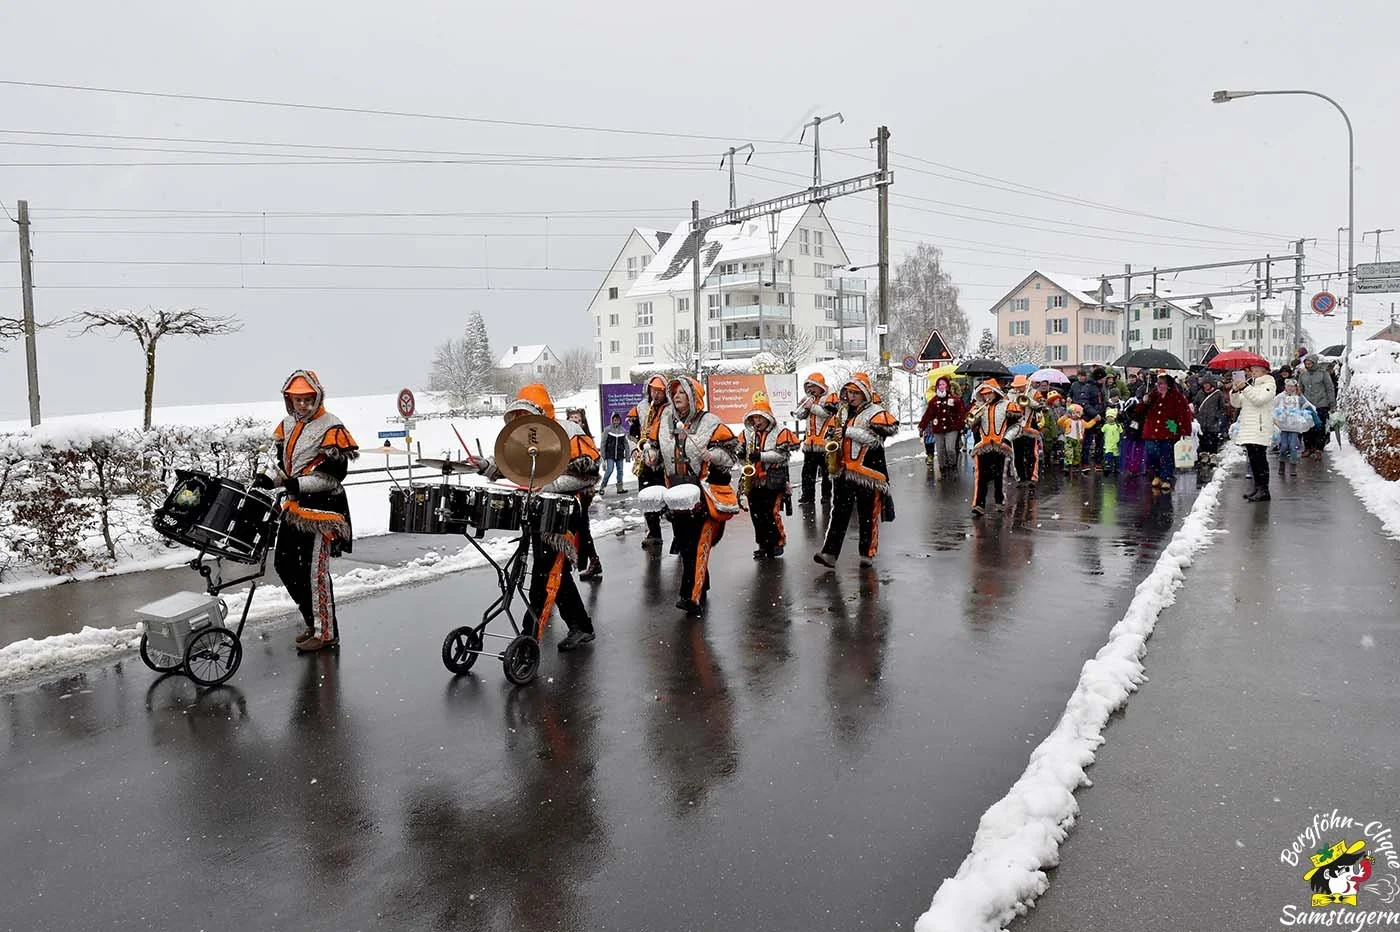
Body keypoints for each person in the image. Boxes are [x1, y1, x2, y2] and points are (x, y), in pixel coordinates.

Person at [477, 385, 600, 650]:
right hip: (537, 513)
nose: (520, 420)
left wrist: (549, 485)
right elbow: (510, 465)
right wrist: (487, 466)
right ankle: (581, 626)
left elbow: (588, 473)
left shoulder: (568, 431)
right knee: (556, 573)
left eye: (524, 413)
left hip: (563, 514)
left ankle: (528, 639)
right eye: (516, 416)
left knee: (543, 578)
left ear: (540, 410)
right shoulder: (524, 438)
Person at [256, 370, 359, 653]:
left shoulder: (331, 426)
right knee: (285, 565)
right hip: (293, 508)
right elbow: (282, 464)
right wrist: (270, 478)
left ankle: (325, 633)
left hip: (321, 511)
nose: (302, 405)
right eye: (297, 400)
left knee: (314, 572)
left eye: (308, 399)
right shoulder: (287, 425)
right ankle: (313, 622)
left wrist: (292, 483)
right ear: (289, 400)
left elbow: (331, 477)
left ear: (318, 397)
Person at [639, 377, 740, 616]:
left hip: (702, 493)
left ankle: (691, 595)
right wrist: (649, 454)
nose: (676, 397)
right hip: (675, 493)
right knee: (685, 545)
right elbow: (652, 445)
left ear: (694, 397)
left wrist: (713, 455)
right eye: (674, 393)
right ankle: (700, 584)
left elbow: (731, 454)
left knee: (698, 544)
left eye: (682, 393)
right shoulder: (664, 421)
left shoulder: (710, 422)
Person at [813, 372, 899, 566]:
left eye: (855, 393)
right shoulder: (842, 411)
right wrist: (831, 436)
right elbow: (836, 434)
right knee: (839, 512)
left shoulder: (876, 412)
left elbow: (874, 440)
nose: (850, 396)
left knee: (867, 514)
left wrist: (846, 431)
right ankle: (829, 554)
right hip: (844, 469)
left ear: (864, 394)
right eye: (849, 392)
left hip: (868, 471)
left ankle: (866, 554)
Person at [741, 395, 800, 559]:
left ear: (768, 417)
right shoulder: (747, 434)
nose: (757, 421)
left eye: (760, 418)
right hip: (753, 480)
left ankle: (777, 542)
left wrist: (761, 456)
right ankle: (763, 544)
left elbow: (782, 455)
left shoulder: (780, 431)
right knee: (756, 514)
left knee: (771, 513)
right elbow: (742, 454)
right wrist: (741, 455)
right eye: (754, 418)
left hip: (773, 478)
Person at [628, 375, 670, 549]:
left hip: (664, 462)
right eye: (653, 390)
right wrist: (634, 449)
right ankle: (653, 532)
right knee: (647, 498)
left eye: (660, 391)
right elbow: (631, 434)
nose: (656, 395)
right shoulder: (641, 408)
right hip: (644, 461)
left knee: (668, 499)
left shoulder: (671, 409)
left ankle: (678, 535)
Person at [966, 379, 1018, 517]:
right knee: (981, 476)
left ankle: (999, 500)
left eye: (989, 393)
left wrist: (1007, 438)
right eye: (984, 394)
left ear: (995, 393)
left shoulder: (1008, 405)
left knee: (999, 475)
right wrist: (974, 419)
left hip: (1001, 445)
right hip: (983, 446)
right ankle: (979, 504)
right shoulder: (978, 408)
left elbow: (1017, 425)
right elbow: (970, 424)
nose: (987, 397)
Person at [1231, 363, 1278, 502]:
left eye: (1257, 371)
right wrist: (1235, 391)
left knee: (1260, 460)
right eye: (1252, 371)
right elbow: (1237, 403)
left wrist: (1245, 387)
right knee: (1253, 459)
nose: (1253, 373)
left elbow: (1259, 400)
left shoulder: (1269, 384)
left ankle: (1264, 490)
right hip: (1248, 427)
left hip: (1260, 427)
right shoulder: (1251, 385)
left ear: (1265, 372)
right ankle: (1258, 488)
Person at [1139, 373, 1193, 492]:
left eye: (1161, 383)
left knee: (1167, 455)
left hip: (1169, 429)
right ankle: (1157, 474)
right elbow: (1140, 411)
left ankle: (1166, 478)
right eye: (1158, 383)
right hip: (1152, 430)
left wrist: (1184, 430)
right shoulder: (1152, 395)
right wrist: (1144, 401)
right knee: (1152, 452)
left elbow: (1184, 413)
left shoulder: (1177, 397)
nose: (1158, 386)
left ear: (1168, 385)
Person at [791, 372, 835, 503]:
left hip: (824, 444)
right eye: (808, 387)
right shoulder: (809, 399)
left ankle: (826, 496)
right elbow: (800, 416)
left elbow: (828, 414)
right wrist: (802, 407)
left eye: (813, 387)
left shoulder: (829, 397)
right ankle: (807, 496)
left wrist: (812, 407)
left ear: (820, 386)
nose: (810, 389)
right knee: (807, 473)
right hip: (809, 443)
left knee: (826, 473)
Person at [917, 375, 967, 478]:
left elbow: (961, 413)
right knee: (940, 450)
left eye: (943, 384)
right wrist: (922, 426)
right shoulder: (934, 401)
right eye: (939, 384)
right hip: (938, 428)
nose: (941, 386)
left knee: (950, 448)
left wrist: (960, 425)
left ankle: (953, 465)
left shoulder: (955, 400)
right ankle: (943, 468)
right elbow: (928, 415)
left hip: (952, 428)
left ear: (947, 386)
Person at [1272, 378, 1318, 478]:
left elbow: (1307, 405)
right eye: (1288, 386)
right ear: (1285, 387)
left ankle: (1293, 466)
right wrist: (1276, 416)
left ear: (1295, 387)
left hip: (1294, 426)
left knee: (1293, 446)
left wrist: (1313, 414)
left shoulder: (1299, 397)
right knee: (1283, 446)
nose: (1290, 388)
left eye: (1292, 386)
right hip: (1283, 426)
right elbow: (1272, 406)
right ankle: (1282, 464)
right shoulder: (1280, 397)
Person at [1297, 355, 1336, 456]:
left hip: (1321, 404)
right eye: (1306, 364)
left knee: (1319, 427)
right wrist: (1298, 401)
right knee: (1307, 427)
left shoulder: (1323, 374)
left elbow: (1329, 389)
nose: (1308, 366)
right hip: (1307, 404)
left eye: (1309, 364)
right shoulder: (1303, 375)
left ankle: (1319, 448)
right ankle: (1308, 447)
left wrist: (1332, 404)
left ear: (1314, 363)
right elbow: (1300, 389)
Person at [1007, 375, 1042, 487]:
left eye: (1021, 387)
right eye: (1017, 387)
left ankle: (1032, 477)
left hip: (1030, 425)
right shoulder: (1010, 394)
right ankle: (1021, 478)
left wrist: (1029, 401)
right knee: (1018, 453)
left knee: (1031, 453)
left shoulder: (1035, 393)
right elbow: (1006, 409)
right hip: (1016, 426)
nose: (1018, 389)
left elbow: (1041, 406)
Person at [1194, 375, 1228, 467]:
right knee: (1203, 439)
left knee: (1213, 439)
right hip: (1201, 421)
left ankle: (1213, 456)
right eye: (1204, 384)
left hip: (1213, 421)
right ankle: (1204, 455)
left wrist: (1217, 416)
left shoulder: (1218, 393)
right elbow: (1195, 404)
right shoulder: (1200, 393)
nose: (1205, 386)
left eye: (1207, 384)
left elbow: (1222, 407)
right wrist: (1197, 415)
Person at [1079, 367, 1108, 471]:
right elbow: (1084, 403)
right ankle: (1085, 463)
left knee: (1100, 442)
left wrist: (1108, 407)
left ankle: (1098, 462)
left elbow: (1102, 402)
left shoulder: (1101, 387)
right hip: (1089, 419)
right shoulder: (1088, 387)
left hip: (1101, 418)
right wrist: (1094, 414)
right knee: (1087, 441)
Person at [598, 412, 630, 495]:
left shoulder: (623, 430)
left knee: (620, 471)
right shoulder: (607, 430)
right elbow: (603, 443)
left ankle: (620, 488)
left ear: (620, 421)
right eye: (614, 420)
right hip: (610, 455)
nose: (616, 421)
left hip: (619, 455)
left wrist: (627, 456)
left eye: (618, 420)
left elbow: (626, 444)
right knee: (609, 470)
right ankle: (602, 487)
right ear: (612, 420)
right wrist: (603, 455)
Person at [1059, 403, 1085, 470]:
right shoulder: (1068, 420)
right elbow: (1060, 423)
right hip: (1069, 438)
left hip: (1078, 439)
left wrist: (1094, 420)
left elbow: (1088, 425)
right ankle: (1067, 465)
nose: (1076, 415)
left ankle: (1075, 464)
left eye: (1078, 413)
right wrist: (1065, 416)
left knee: (1077, 452)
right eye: (1074, 413)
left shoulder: (1081, 421)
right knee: (1068, 452)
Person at [1101, 408, 1123, 476]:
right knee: (1108, 456)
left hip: (1116, 445)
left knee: (1117, 457)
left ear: (1114, 417)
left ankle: (1117, 468)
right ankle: (1107, 466)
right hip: (1108, 445)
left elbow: (1121, 432)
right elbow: (1102, 431)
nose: (1109, 418)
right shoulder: (1106, 426)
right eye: (1108, 417)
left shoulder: (1117, 425)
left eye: (1111, 417)